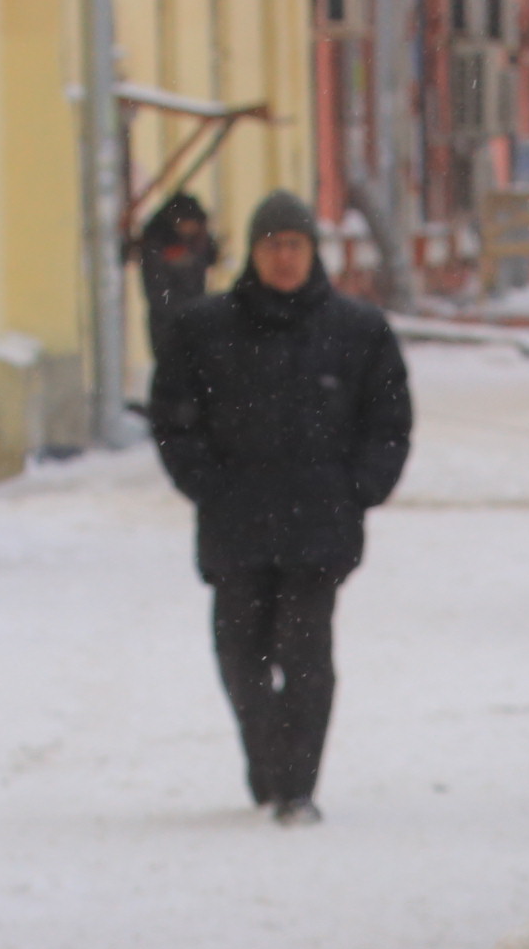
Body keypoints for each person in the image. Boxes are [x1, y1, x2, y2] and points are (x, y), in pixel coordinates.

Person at [147, 190, 414, 825]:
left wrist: (360, 489)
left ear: (312, 252)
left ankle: (296, 787)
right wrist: (203, 481)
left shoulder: (358, 331)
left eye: (294, 245)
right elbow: (172, 418)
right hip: (235, 521)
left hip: (320, 525)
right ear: (254, 253)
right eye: (272, 245)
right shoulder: (204, 330)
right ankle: (266, 762)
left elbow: (389, 422)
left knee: (306, 655)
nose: (284, 258)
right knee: (239, 652)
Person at [133, 191, 219, 367]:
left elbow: (210, 256)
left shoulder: (197, 240)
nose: (190, 229)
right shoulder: (156, 243)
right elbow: (157, 291)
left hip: (195, 315)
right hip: (167, 322)